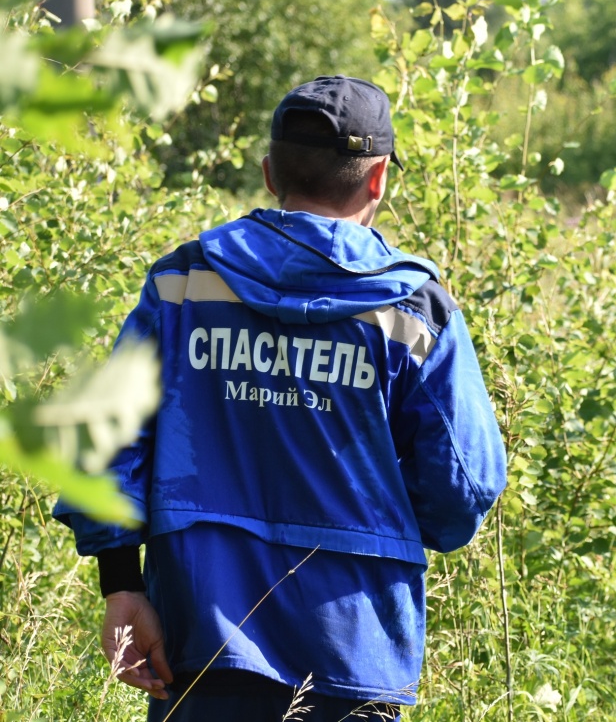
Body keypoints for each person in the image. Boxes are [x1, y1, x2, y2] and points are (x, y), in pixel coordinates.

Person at [54, 76, 508, 720]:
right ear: (378, 179)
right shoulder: (413, 308)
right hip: (356, 647)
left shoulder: (183, 284)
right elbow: (462, 489)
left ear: (270, 173)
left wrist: (122, 588)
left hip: (199, 636)